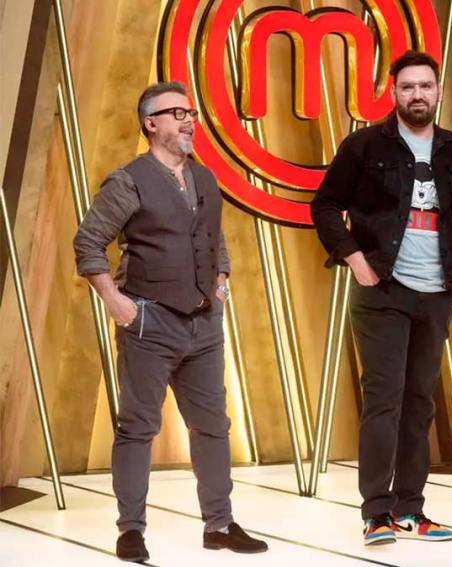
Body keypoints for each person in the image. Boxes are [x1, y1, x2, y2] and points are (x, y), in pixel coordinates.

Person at [73, 81, 268, 562]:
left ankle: (219, 524)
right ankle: (130, 531)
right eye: (176, 113)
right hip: (150, 322)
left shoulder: (203, 176)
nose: (188, 120)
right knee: (137, 428)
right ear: (150, 123)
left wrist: (221, 281)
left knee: (213, 426)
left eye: (190, 113)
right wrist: (115, 301)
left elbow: (214, 237)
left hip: (204, 324)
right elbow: (88, 242)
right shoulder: (129, 180)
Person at [311, 50, 452, 545]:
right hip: (383, 288)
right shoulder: (365, 145)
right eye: (408, 87)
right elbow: (325, 205)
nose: (417, 95)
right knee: (383, 400)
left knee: (419, 403)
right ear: (393, 93)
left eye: (425, 86)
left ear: (438, 91)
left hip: (437, 294)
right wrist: (355, 259)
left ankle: (411, 509)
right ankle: (376, 513)